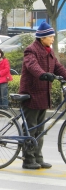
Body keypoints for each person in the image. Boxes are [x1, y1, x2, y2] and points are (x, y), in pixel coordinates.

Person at [19, 21, 66, 169]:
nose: (52, 39)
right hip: (31, 94)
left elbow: (58, 68)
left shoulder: (49, 52)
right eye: (51, 37)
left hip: (43, 94)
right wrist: (43, 75)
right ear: (42, 37)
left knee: (40, 129)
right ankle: (28, 159)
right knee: (31, 127)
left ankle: (38, 157)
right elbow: (32, 66)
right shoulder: (31, 50)